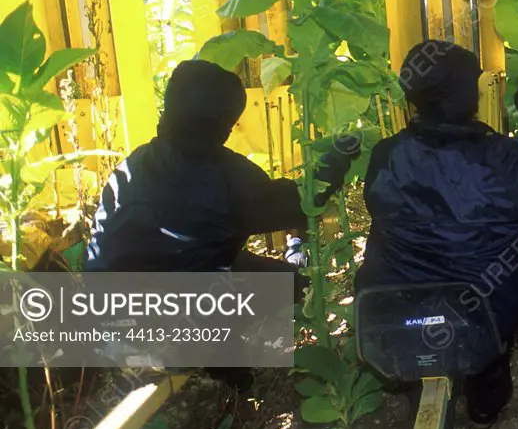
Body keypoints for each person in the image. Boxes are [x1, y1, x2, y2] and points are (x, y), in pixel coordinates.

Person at [354, 40, 518, 428]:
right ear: (463, 94)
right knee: (489, 352)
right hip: (487, 311)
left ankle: (421, 378)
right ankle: (485, 408)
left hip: (399, 307)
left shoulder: (386, 156)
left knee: (423, 331)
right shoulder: (505, 158)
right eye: (474, 82)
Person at [85, 59, 357, 288]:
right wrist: (341, 154)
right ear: (223, 124)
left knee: (266, 274)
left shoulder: (132, 166)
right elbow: (303, 201)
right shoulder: (226, 175)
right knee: (292, 285)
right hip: (181, 327)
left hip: (105, 315)